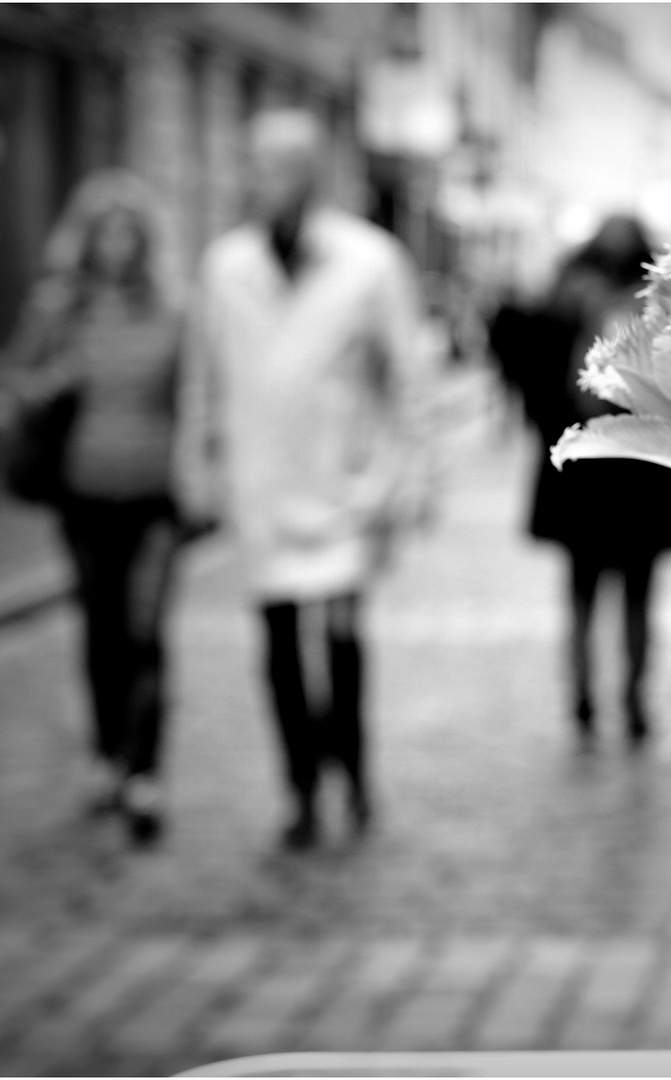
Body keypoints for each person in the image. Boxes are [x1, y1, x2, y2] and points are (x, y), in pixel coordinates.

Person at [176, 109, 437, 850]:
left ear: (316, 172)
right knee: (280, 639)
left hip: (347, 482)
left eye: (287, 163)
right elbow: (202, 375)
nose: (271, 179)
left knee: (345, 634)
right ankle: (299, 785)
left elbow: (409, 380)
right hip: (262, 483)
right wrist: (195, 467)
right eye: (260, 163)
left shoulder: (371, 260)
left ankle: (351, 770)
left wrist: (407, 484)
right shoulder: (226, 265)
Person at [0, 171, 186, 843]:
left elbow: (193, 400)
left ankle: (146, 772)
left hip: (155, 494)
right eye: (103, 232)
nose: (114, 246)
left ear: (144, 241)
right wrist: (54, 380)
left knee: (146, 631)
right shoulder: (58, 307)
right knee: (101, 631)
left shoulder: (170, 308)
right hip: (84, 493)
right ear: (86, 240)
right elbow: (14, 385)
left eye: (127, 233)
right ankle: (108, 755)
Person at [488, 216, 671, 743]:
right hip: (623, 468)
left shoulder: (588, 296)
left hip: (610, 469)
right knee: (612, 595)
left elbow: (533, 377)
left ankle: (608, 698)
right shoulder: (635, 302)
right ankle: (608, 698)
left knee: (598, 594)